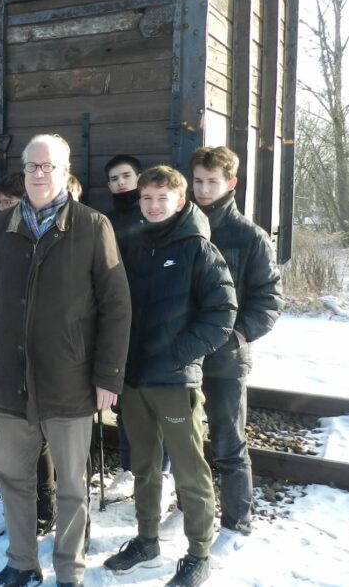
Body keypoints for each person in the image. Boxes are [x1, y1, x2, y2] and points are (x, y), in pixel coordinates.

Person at [0, 134, 131, 587]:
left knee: (73, 486)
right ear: (24, 171)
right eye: (33, 166)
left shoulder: (92, 226)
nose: (40, 173)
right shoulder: (1, 226)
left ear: (65, 170)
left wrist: (108, 374)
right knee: (12, 476)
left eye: (49, 166)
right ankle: (21, 562)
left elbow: (117, 306)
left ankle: (69, 571)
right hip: (8, 377)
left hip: (69, 380)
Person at [102, 165, 236, 587]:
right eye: (147, 198)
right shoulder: (133, 244)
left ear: (180, 201)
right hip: (135, 378)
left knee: (188, 468)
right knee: (143, 465)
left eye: (162, 199)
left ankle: (198, 552)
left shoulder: (198, 248)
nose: (154, 206)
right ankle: (147, 540)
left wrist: (179, 355)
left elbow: (222, 314)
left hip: (175, 383)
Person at [190, 146, 282, 564]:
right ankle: (190, 508)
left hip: (225, 359)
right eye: (198, 181)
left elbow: (268, 299)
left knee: (228, 443)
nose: (204, 189)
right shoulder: (182, 225)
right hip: (184, 356)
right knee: (186, 443)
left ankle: (236, 524)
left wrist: (239, 335)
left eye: (212, 182)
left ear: (230, 183)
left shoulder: (249, 236)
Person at [102, 154, 146, 502]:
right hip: (120, 318)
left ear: (139, 178)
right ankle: (131, 468)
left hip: (149, 316)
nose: (120, 183)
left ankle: (157, 472)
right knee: (126, 399)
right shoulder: (108, 221)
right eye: (114, 178)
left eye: (126, 176)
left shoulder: (150, 216)